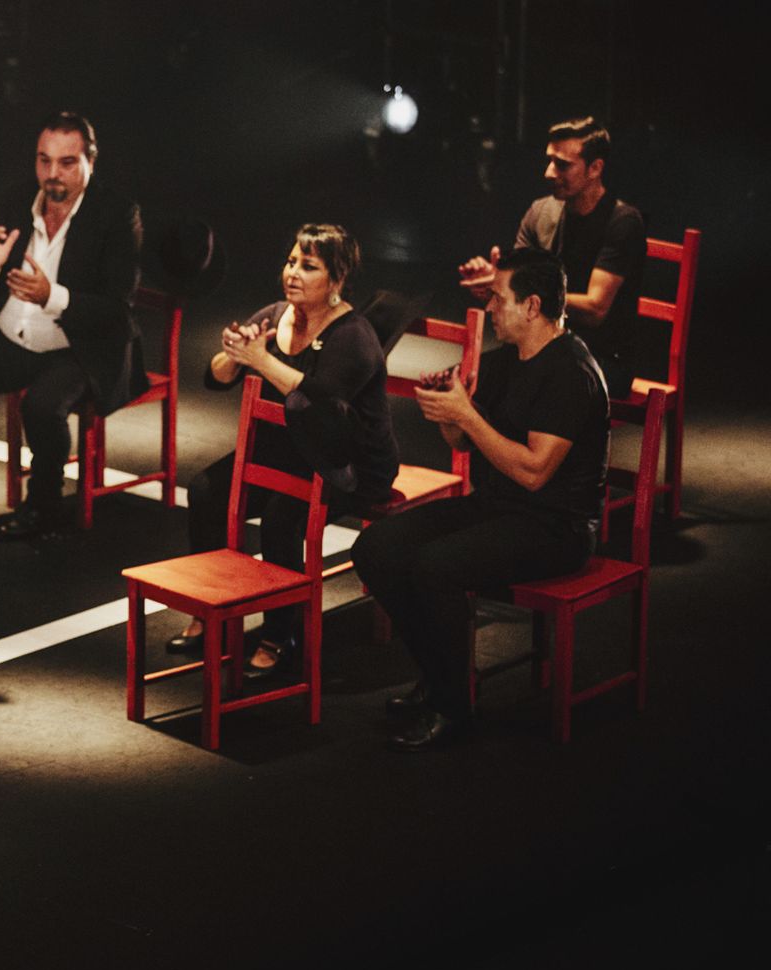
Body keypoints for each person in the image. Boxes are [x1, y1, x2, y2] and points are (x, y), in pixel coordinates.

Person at [353, 248, 610, 751]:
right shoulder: (502, 362)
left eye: (498, 298)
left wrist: (467, 416)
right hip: (498, 507)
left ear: (532, 306)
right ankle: (439, 673)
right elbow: (464, 444)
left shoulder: (571, 374)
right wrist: (449, 411)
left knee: (436, 567)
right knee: (377, 548)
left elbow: (535, 473)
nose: (490, 308)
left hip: (554, 527)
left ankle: (454, 707)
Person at [166, 224, 399, 676]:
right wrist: (235, 354)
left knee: (280, 517)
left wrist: (262, 360)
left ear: (336, 280)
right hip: (288, 448)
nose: (293, 273)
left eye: (308, 267)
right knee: (205, 490)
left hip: (345, 461)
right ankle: (211, 610)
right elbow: (215, 378)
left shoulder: (353, 335)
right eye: (292, 262)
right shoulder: (277, 313)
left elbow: (321, 406)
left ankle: (280, 632)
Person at [0, 110, 142, 536]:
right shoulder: (17, 199)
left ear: (89, 162)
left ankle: (44, 508)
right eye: (44, 160)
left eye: (66, 162)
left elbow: (118, 311)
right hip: (11, 337)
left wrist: (52, 297)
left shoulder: (117, 214)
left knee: (41, 407)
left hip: (79, 347)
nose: (52, 174)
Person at [458, 116, 644, 397]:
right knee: (466, 380)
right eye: (550, 161)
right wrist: (494, 281)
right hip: (540, 347)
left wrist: (525, 291)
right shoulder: (541, 212)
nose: (549, 172)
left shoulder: (622, 222)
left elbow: (595, 309)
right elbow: (516, 293)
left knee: (533, 385)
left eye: (563, 165)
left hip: (601, 358)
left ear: (595, 168)